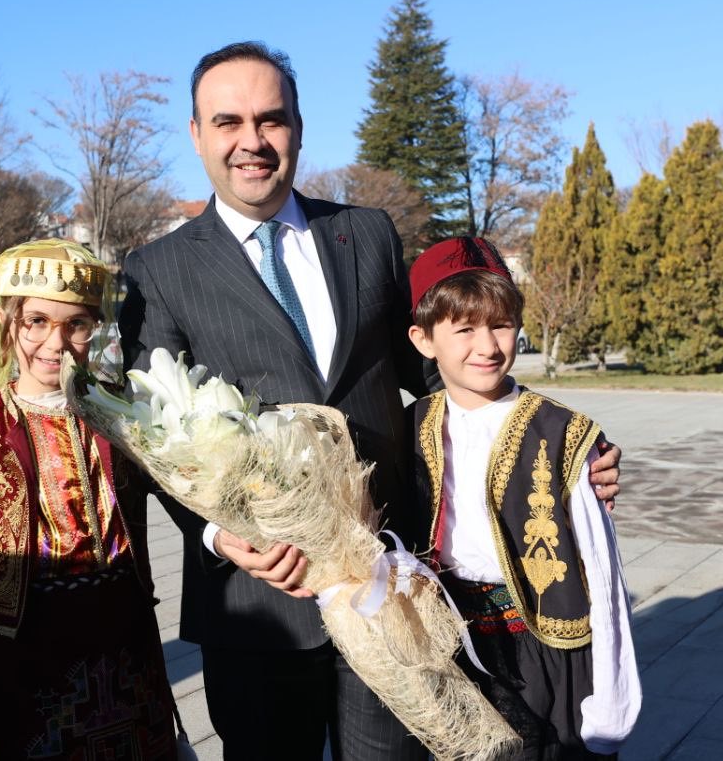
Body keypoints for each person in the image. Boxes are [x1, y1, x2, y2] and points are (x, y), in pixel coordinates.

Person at [118, 41, 622, 760]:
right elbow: (155, 436)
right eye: (228, 122)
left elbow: (440, 374)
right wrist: (218, 536)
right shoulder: (158, 269)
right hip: (261, 604)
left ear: (298, 125)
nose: (252, 142)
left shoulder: (367, 235)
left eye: (271, 119)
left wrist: (555, 445)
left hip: (393, 585)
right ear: (197, 134)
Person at [0, 239, 183, 760]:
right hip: (26, 668)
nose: (56, 343)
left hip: (128, 661)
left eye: (76, 324)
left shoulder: (118, 414)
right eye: (37, 321)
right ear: (8, 324)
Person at [402, 237, 641, 759]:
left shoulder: (563, 433)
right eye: (463, 329)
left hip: (546, 646)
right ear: (423, 340)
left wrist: (613, 701)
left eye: (501, 325)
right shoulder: (411, 425)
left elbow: (602, 572)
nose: (486, 346)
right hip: (450, 642)